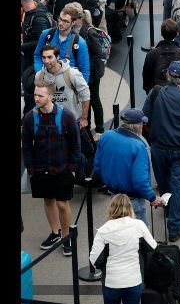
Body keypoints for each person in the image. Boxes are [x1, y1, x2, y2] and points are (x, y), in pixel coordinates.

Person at [142, 61, 180, 241]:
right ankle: (175, 228)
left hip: (158, 147)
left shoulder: (156, 92)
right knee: (178, 186)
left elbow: (145, 115)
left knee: (163, 183)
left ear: (167, 76)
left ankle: (168, 208)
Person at [22, 80, 82, 256]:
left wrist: (72, 168)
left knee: (62, 204)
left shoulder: (67, 116)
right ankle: (55, 233)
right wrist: (31, 170)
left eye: (40, 95)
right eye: (35, 95)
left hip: (62, 169)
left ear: (50, 97)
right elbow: (26, 147)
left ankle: (66, 236)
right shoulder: (30, 118)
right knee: (48, 201)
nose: (36, 98)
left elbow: (75, 145)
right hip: (41, 170)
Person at [89, 194, 157, 304]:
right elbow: (152, 248)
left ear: (111, 208)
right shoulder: (139, 225)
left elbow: (95, 260)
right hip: (134, 280)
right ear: (130, 208)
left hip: (111, 283)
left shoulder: (103, 230)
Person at [95, 109, 163, 226]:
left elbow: (97, 166)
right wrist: (152, 197)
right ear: (138, 126)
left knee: (117, 229)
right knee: (140, 233)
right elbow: (140, 181)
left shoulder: (107, 136)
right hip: (133, 200)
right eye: (142, 123)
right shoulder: (139, 146)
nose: (143, 126)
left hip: (114, 196)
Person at [35, 42, 92, 128]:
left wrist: (84, 118)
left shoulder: (72, 74)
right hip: (49, 122)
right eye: (44, 57)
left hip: (71, 121)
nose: (46, 61)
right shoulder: (39, 76)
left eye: (50, 57)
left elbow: (86, 95)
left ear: (57, 57)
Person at [142, 19, 180, 94]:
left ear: (161, 34)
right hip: (179, 96)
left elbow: (146, 82)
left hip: (158, 96)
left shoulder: (151, 54)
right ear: (177, 33)